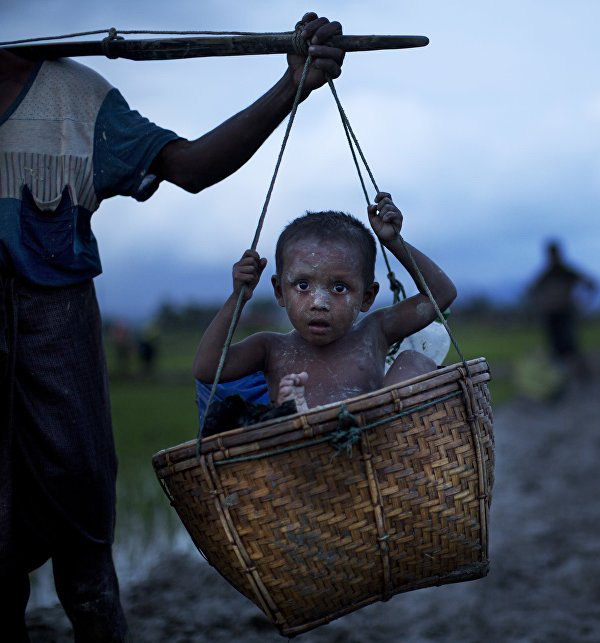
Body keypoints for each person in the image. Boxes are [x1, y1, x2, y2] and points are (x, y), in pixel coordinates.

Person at [0, 12, 345, 640]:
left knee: (83, 532)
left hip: (57, 349)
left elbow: (188, 166)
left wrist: (291, 85)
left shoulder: (72, 100)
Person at [193, 193, 455, 417]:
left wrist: (394, 242)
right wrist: (238, 298)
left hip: (375, 449)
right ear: (279, 291)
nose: (319, 303)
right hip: (301, 459)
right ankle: (293, 414)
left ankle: (387, 427)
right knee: (283, 410)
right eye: (303, 286)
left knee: (413, 361)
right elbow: (207, 369)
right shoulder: (271, 348)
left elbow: (441, 295)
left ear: (367, 297)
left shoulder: (375, 333)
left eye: (339, 288)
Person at [529, 240, 596, 383]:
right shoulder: (547, 274)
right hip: (552, 315)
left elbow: (591, 284)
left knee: (570, 346)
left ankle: (581, 377)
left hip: (565, 313)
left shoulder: (566, 271)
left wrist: (583, 303)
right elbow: (532, 291)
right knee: (555, 348)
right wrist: (542, 305)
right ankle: (559, 379)